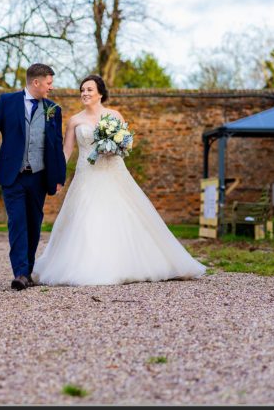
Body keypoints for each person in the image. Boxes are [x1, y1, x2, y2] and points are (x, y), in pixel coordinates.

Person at [31, 74, 206, 286]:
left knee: (125, 215)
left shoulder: (114, 115)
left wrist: (114, 146)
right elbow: (65, 152)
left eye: (89, 90)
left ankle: (131, 263)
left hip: (113, 172)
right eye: (82, 90)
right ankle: (89, 266)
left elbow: (126, 146)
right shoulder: (74, 121)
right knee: (87, 217)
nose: (84, 93)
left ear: (100, 93)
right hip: (87, 175)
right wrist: (55, 175)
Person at [0, 63, 67, 290]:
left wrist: (59, 177)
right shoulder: (7, 102)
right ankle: (20, 273)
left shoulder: (53, 109)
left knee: (34, 224)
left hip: (39, 177)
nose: (51, 87)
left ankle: (27, 271)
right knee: (17, 222)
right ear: (36, 82)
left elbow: (56, 145)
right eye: (49, 83)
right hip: (12, 176)